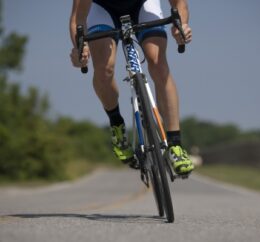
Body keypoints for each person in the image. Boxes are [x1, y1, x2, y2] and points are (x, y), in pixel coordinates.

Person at [69, 0, 194, 175]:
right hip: (103, 8)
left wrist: (181, 26)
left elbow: (179, 3)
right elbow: (78, 18)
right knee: (105, 68)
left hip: (144, 4)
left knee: (158, 63)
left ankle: (175, 146)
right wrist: (79, 49)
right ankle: (116, 124)